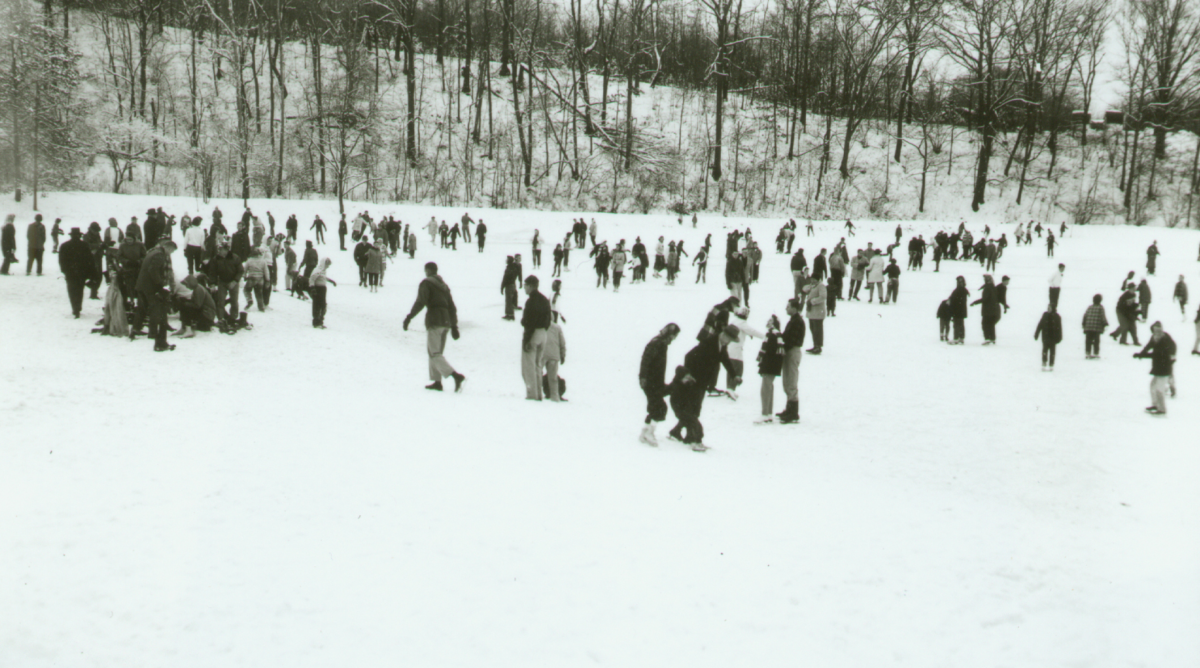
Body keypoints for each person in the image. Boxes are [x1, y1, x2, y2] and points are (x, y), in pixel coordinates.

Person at [403, 261, 465, 392]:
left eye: (425, 270)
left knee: (434, 353)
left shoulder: (426, 283)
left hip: (434, 320)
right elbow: (452, 307)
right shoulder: (444, 286)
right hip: (446, 322)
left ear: (428, 270)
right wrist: (454, 326)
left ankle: (456, 376)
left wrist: (409, 317)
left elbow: (420, 302)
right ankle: (437, 382)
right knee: (437, 353)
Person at [639, 323, 680, 445]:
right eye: (674, 335)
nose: (674, 338)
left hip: (655, 381)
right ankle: (649, 433)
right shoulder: (657, 343)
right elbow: (645, 359)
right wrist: (643, 377)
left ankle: (645, 432)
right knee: (659, 407)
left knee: (655, 406)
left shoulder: (661, 343)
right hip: (650, 381)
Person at [136, 240, 180, 352]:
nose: (170, 253)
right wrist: (161, 285)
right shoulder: (159, 255)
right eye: (171, 251)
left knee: (154, 311)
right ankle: (159, 341)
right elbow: (153, 270)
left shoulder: (153, 251)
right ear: (167, 247)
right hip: (151, 288)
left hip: (144, 286)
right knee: (160, 313)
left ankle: (158, 339)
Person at [520, 275, 552, 401]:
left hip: (533, 334)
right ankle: (539, 393)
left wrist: (526, 339)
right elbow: (548, 319)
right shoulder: (544, 299)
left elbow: (529, 322)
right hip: (543, 333)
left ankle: (532, 394)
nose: (524, 288)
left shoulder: (530, 301)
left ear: (531, 286)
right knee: (538, 365)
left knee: (528, 367)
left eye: (525, 285)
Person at [1134, 322, 1176, 415]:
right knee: (1153, 386)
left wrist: (1142, 355)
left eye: (1158, 330)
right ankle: (1155, 405)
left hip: (1164, 368)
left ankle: (1162, 409)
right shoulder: (1154, 338)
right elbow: (1148, 346)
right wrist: (1141, 353)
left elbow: (1156, 354)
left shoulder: (1164, 340)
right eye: (1155, 331)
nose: (1156, 332)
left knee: (1159, 389)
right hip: (1159, 367)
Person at [777, 298, 806, 424]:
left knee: (791, 381)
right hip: (790, 351)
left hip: (792, 352)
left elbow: (791, 339)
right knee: (787, 381)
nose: (786, 308)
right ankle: (789, 409)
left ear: (794, 308)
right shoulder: (793, 320)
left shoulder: (797, 321)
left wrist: (782, 345)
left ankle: (793, 412)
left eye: (788, 306)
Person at [59, 228, 97, 318]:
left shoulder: (65, 245)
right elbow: (90, 260)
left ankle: (75, 308)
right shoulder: (84, 245)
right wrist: (91, 272)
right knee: (79, 290)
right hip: (81, 272)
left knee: (72, 290)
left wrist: (65, 270)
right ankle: (77, 308)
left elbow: (61, 261)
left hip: (71, 272)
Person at [753, 316, 784, 424]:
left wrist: (764, 362)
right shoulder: (775, 334)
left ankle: (764, 413)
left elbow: (770, 351)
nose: (768, 322)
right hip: (772, 364)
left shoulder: (772, 334)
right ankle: (769, 413)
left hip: (770, 364)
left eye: (770, 320)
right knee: (769, 387)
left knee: (765, 388)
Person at [542, 311, 566, 402]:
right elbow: (562, 342)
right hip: (554, 355)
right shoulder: (557, 327)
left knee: (538, 375)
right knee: (553, 378)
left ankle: (537, 395)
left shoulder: (541, 326)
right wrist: (563, 355)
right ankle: (555, 397)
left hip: (542, 354)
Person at [971, 274, 1001, 344]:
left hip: (988, 310)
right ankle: (992, 338)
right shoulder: (993, 287)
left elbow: (985, 299)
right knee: (991, 324)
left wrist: (975, 302)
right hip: (993, 309)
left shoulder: (987, 288)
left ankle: (987, 338)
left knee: (985, 324)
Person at [307, 257, 336, 328]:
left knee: (323, 305)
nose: (328, 266)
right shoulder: (317, 270)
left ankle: (320, 321)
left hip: (323, 290)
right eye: (327, 264)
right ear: (324, 263)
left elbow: (324, 278)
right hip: (318, 290)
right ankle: (316, 322)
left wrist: (332, 281)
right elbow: (312, 279)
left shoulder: (323, 271)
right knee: (317, 305)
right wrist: (312, 288)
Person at [1034, 303, 1063, 370]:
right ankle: (1044, 362)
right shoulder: (1045, 315)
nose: (1048, 309)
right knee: (1045, 350)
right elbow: (1040, 324)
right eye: (1048, 308)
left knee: (1052, 352)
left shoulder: (1057, 316)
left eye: (1049, 308)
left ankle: (1051, 364)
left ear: (1053, 308)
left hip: (1053, 337)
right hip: (1045, 337)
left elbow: (1059, 327)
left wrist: (1060, 337)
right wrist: (1036, 334)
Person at [1082, 294, 1109, 359]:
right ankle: (1096, 353)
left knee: (1088, 341)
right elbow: (1103, 317)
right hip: (1096, 328)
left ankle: (1088, 353)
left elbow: (1085, 316)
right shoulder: (1101, 307)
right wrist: (1105, 323)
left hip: (1088, 327)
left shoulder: (1089, 307)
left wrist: (1084, 324)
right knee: (1096, 341)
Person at [804, 276, 826, 354]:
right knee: (812, 328)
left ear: (818, 279)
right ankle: (815, 345)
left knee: (817, 330)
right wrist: (809, 287)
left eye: (814, 279)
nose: (813, 280)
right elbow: (804, 289)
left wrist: (813, 301)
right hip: (812, 312)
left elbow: (823, 297)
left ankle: (818, 346)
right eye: (812, 279)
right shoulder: (812, 286)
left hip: (818, 312)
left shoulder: (821, 286)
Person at [948, 276, 970, 344]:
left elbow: (954, 299)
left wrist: (950, 302)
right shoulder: (964, 290)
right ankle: (961, 338)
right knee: (961, 324)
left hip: (957, 310)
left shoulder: (958, 290)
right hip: (961, 310)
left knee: (956, 324)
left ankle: (956, 338)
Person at [501, 256, 521, 320]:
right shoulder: (514, 267)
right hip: (512, 285)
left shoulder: (509, 268)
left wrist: (502, 287)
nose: (506, 260)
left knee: (508, 301)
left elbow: (505, 279)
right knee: (509, 300)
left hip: (509, 286)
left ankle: (510, 315)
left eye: (507, 259)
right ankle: (509, 314)